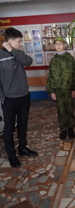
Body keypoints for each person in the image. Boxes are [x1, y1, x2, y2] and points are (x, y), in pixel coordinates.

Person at [0, 28, 38, 168]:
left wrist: (13, 50)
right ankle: (11, 154)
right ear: (10, 42)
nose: (21, 43)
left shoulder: (18, 53)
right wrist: (3, 98)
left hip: (24, 96)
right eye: (19, 41)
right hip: (9, 99)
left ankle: (22, 148)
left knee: (23, 124)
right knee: (9, 128)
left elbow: (28, 62)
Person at [46, 37, 75, 140]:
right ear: (54, 46)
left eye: (60, 44)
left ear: (64, 45)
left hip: (69, 90)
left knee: (70, 110)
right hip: (58, 90)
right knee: (61, 111)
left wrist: (74, 89)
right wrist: (51, 91)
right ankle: (63, 129)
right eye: (56, 44)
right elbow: (50, 76)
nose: (58, 46)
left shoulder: (69, 58)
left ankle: (70, 128)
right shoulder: (53, 60)